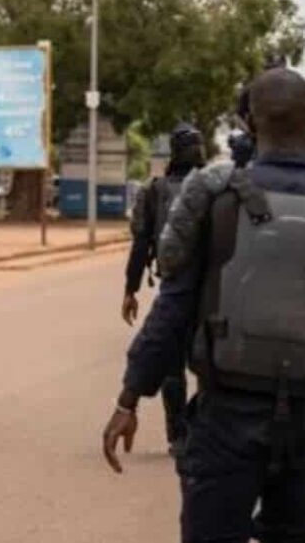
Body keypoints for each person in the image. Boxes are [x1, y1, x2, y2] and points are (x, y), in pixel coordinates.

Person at [102, 68, 305, 542]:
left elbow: (172, 311)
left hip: (226, 420)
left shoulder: (214, 198)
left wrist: (129, 398)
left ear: (247, 124)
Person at [121, 122, 205, 457]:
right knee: (210, 367)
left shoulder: (155, 190)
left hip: (173, 289)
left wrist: (130, 290)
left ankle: (178, 434)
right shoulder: (217, 187)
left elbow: (141, 244)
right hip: (212, 291)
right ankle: (195, 432)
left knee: (172, 368)